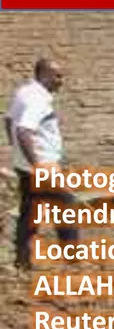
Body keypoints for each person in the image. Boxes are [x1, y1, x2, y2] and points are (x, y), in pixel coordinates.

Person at [8, 58, 72, 270]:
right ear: (44, 75)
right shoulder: (38, 99)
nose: (61, 81)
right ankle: (72, 261)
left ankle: (22, 259)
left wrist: (16, 151)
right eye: (57, 76)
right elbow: (23, 130)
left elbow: (8, 121)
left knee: (29, 212)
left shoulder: (23, 92)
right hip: (42, 166)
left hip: (24, 165)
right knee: (66, 207)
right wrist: (39, 167)